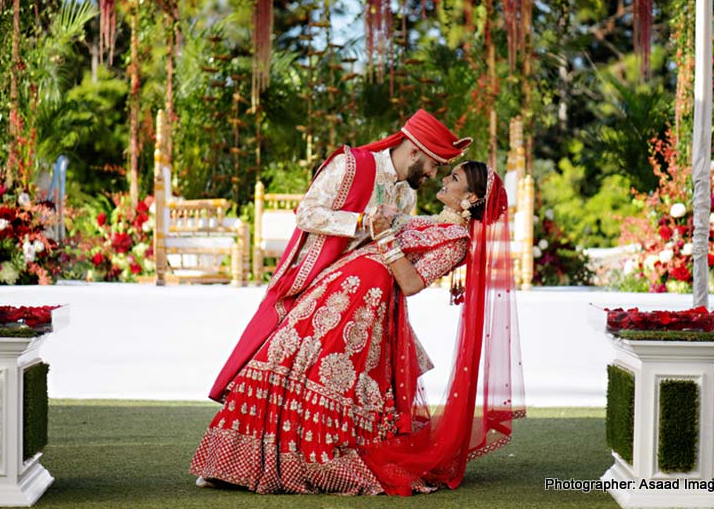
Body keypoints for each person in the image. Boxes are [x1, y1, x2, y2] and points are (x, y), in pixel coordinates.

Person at [191, 160, 525, 496]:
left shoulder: (456, 243)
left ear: (470, 198)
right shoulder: (434, 223)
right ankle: (232, 465)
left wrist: (385, 237)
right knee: (281, 355)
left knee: (320, 377)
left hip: (361, 310)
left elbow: (410, 283)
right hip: (337, 292)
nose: (445, 180)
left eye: (455, 179)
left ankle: (298, 463)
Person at [208, 109, 473, 403]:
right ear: (413, 152)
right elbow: (306, 214)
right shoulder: (350, 165)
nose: (434, 175)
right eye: (434, 165)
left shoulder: (406, 195)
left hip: (357, 300)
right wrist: (361, 220)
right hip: (312, 280)